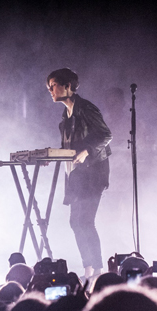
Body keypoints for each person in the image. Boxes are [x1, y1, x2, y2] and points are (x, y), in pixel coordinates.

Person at [46, 68, 112, 280]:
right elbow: (67, 146)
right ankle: (89, 269)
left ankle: (99, 270)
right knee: (76, 222)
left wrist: (86, 151)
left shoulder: (85, 108)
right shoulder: (65, 115)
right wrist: (53, 156)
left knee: (85, 221)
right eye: (49, 86)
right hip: (76, 175)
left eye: (53, 85)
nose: (50, 90)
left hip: (93, 172)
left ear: (68, 86)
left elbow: (105, 134)